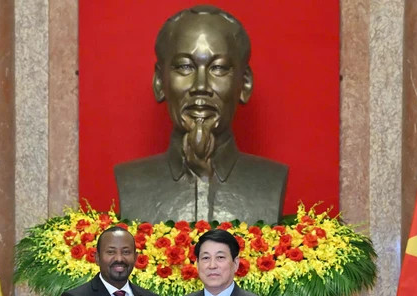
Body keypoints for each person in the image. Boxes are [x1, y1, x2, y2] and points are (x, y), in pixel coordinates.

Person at [115, 5, 288, 224]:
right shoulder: (131, 181)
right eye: (185, 67)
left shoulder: (270, 181)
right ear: (160, 82)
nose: (201, 86)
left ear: (244, 83)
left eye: (219, 68)